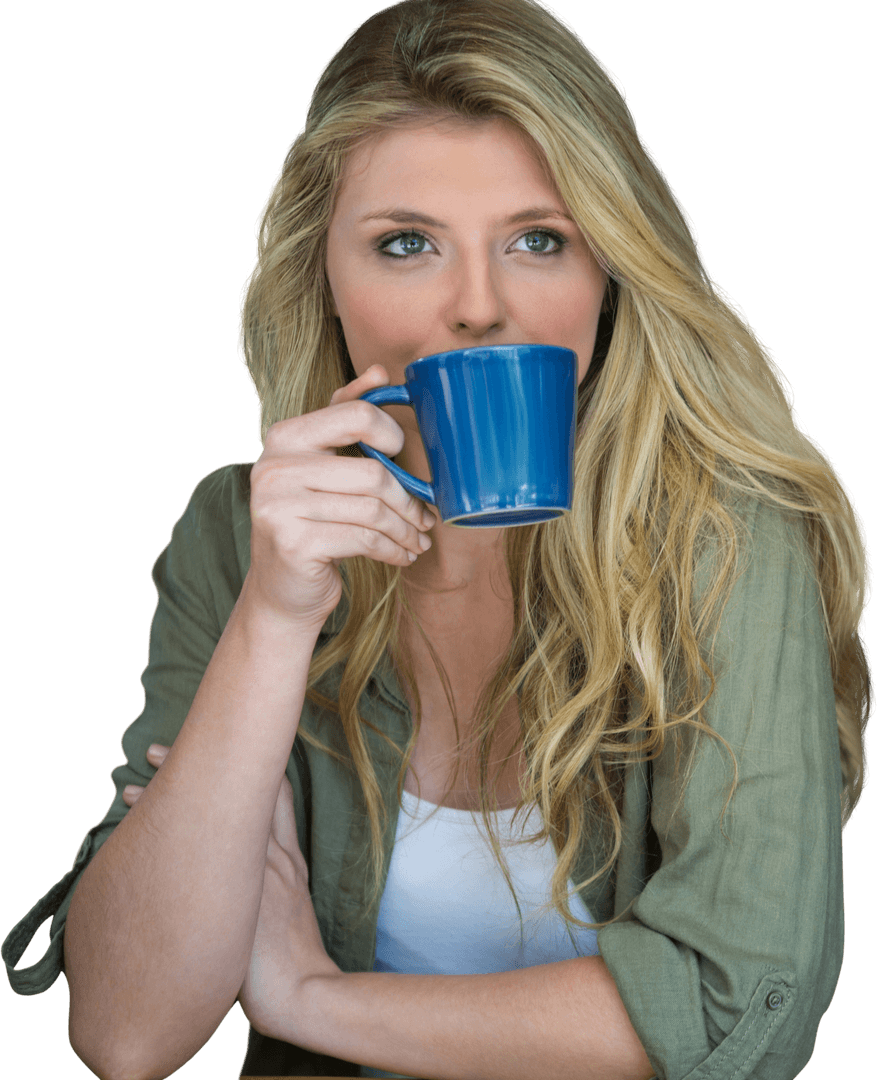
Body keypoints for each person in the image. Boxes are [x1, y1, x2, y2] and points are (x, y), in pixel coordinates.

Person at [2, 1, 873, 1078]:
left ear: (610, 273)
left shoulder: (726, 536)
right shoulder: (240, 533)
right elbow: (128, 1033)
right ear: (322, 269)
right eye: (405, 243)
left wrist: (313, 999)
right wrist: (274, 618)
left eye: (537, 240)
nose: (478, 306)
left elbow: (741, 1014)